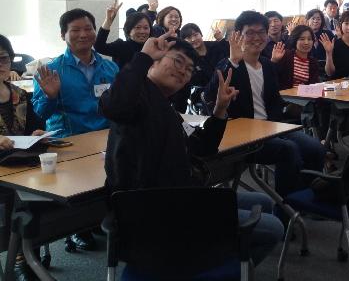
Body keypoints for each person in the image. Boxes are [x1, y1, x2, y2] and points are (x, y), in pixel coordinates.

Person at [100, 34, 284, 267]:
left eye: (189, 69)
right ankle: (206, 266)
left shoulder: (166, 108)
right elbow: (116, 106)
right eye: (177, 61)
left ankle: (213, 261)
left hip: (181, 198)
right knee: (273, 228)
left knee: (263, 201)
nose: (183, 72)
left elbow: (202, 147)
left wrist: (219, 111)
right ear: (154, 62)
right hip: (157, 213)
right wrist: (143, 57)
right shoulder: (137, 98)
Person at [205, 11, 326, 196]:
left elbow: (274, 100)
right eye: (250, 33)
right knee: (289, 150)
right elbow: (209, 95)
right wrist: (233, 61)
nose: (257, 38)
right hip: (245, 136)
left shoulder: (267, 65)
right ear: (238, 36)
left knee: (316, 148)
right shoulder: (229, 65)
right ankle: (286, 204)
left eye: (261, 32)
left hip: (271, 128)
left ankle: (305, 195)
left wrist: (283, 115)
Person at [32, 8, 119, 252]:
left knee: (111, 180)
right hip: (69, 143)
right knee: (79, 190)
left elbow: (119, 105)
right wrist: (50, 96)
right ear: (63, 35)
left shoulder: (110, 68)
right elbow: (41, 113)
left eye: (88, 28)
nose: (83, 34)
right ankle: (77, 229)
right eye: (75, 30)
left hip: (104, 139)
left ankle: (98, 219)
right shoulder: (51, 69)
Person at [0, 35, 47, 281]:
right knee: (15, 198)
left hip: (20, 164)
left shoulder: (18, 93)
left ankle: (29, 254)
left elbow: (34, 126)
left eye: (3, 58)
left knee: (40, 193)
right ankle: (19, 259)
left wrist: (37, 133)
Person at [174, 23, 230, 113]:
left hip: (229, 87)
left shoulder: (216, 46)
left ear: (201, 34)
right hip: (207, 96)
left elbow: (231, 55)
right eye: (188, 38)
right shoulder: (188, 59)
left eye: (196, 35)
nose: (193, 39)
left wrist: (221, 39)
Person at [95, 0, 151, 69]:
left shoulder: (153, 47)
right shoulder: (121, 46)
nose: (142, 31)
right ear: (129, 30)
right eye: (138, 27)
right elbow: (99, 46)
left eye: (146, 28)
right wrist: (108, 21)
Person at [271, 25, 321, 90]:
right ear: (295, 40)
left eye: (309, 39)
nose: (306, 42)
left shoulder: (313, 62)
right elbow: (272, 77)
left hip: (305, 95)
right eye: (302, 39)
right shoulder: (286, 56)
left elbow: (314, 85)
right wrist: (274, 61)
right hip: (285, 94)